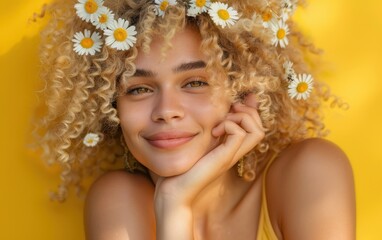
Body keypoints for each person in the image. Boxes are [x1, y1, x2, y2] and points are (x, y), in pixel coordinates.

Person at [35, 0, 355, 239]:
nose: (166, 110)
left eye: (195, 83)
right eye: (139, 88)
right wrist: (174, 207)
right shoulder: (118, 199)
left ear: (242, 90)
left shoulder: (309, 171)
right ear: (112, 107)